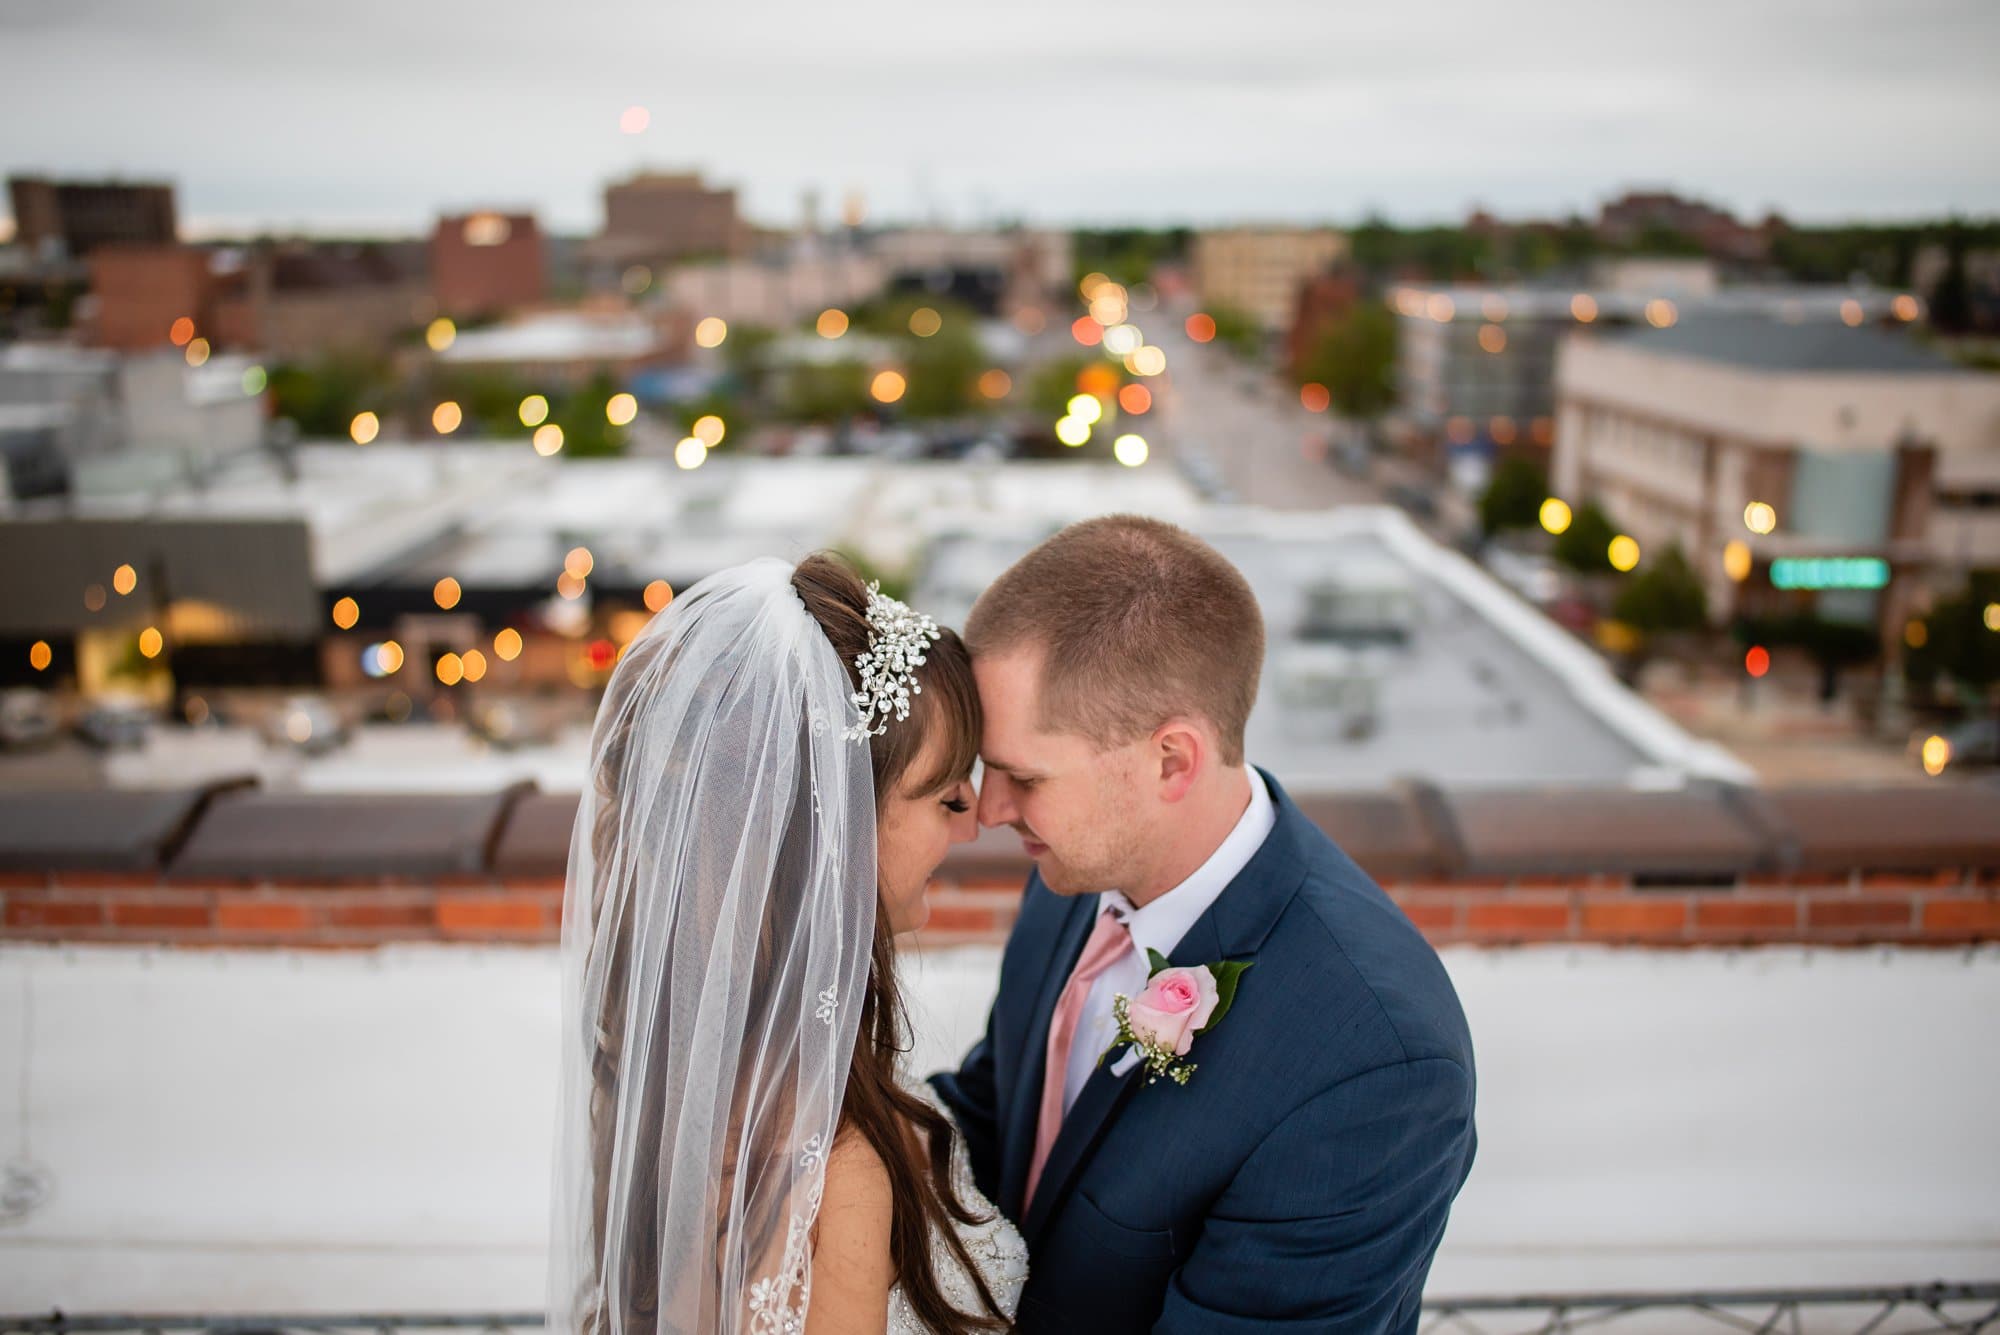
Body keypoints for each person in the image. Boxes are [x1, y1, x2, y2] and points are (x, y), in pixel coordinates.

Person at [932, 515, 1477, 1333]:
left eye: (1022, 776)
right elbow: (1000, 1109)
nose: (991, 809)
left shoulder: (1375, 1063)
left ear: (1172, 760)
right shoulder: (1075, 870)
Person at [549, 553, 1026, 1334]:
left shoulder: (672, 1074)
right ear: (833, 828)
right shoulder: (836, 1162)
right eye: (945, 794)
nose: (975, 819)